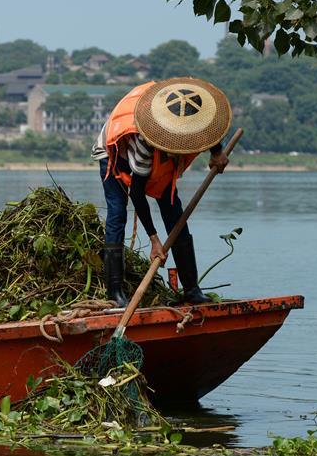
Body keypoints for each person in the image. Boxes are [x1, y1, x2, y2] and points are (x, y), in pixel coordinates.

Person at [91, 77, 231, 307]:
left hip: (155, 159)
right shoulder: (146, 140)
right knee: (118, 213)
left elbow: (208, 130)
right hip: (114, 152)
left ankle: (192, 290)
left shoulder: (193, 113)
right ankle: (114, 293)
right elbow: (137, 193)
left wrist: (217, 152)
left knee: (175, 215)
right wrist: (154, 240)